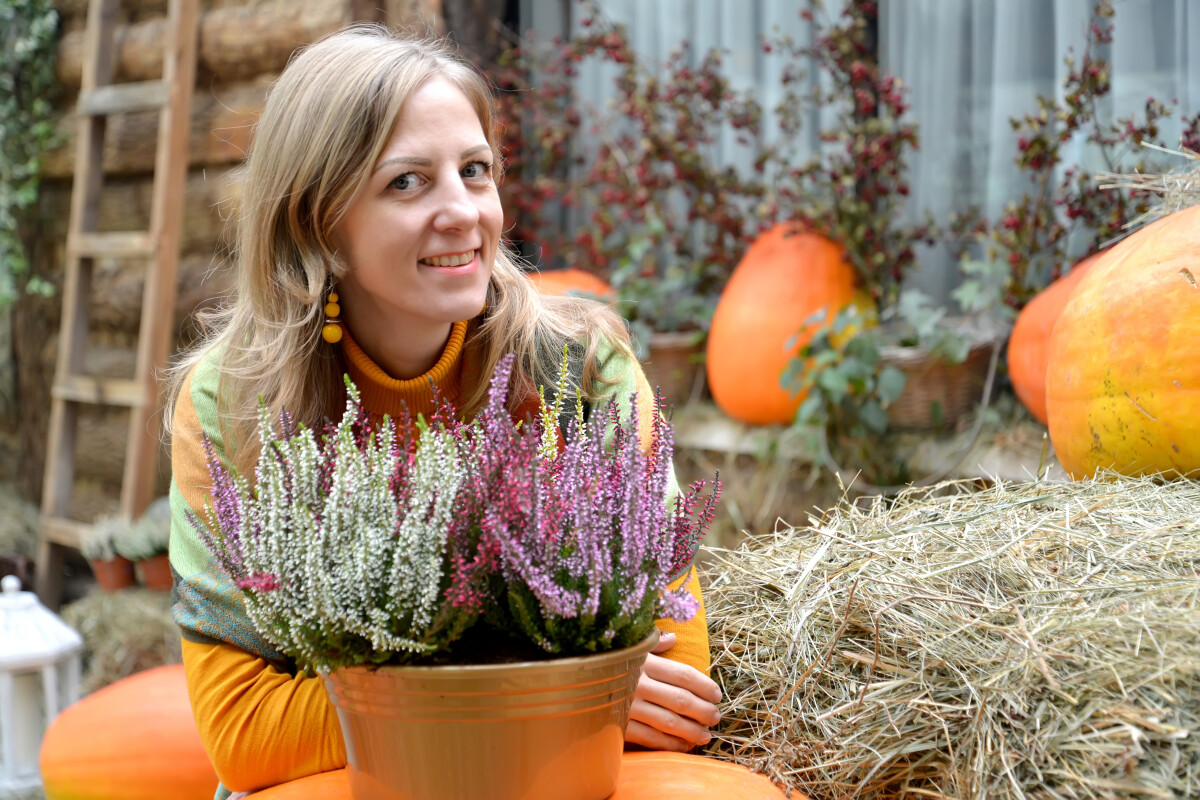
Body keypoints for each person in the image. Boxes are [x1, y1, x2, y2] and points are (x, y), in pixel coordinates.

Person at [167, 24, 721, 798]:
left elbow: (677, 680)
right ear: (317, 223)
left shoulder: (581, 371)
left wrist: (381, 695)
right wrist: (560, 688)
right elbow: (245, 733)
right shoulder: (233, 409)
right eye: (407, 182)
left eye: (475, 171)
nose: (463, 212)